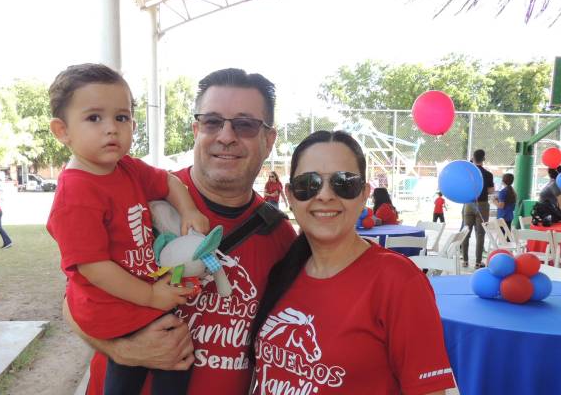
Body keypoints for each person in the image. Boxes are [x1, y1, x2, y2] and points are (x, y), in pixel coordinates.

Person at [65, 67, 297, 395]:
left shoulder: (282, 237)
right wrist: (121, 350)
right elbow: (73, 299)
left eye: (245, 125)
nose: (226, 136)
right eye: (212, 122)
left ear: (269, 139)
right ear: (196, 130)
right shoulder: (138, 199)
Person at [47, 63, 213, 395]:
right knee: (158, 362)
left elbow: (166, 182)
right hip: (115, 307)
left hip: (139, 299)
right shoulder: (76, 193)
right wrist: (151, 296)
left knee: (174, 360)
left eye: (121, 118)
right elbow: (93, 267)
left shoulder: (126, 168)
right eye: (94, 118)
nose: (112, 129)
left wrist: (189, 210)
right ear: (62, 131)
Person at [250, 130, 454, 395]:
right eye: (308, 184)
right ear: (290, 196)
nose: (324, 195)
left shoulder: (398, 281)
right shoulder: (282, 270)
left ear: (363, 195)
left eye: (343, 183)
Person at [461, 149, 495, 269]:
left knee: (466, 232)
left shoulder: (468, 173)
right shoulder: (488, 174)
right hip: (482, 205)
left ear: (473, 158)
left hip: (468, 204)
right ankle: (477, 262)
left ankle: (464, 260)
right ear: (484, 159)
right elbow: (491, 191)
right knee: (480, 234)